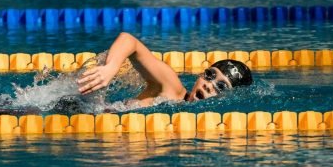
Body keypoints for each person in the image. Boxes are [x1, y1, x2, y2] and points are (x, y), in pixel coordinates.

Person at [77, 32, 253, 106]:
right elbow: (129, 40)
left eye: (221, 86)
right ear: (201, 74)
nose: (209, 85)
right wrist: (111, 68)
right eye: (210, 75)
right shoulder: (171, 88)